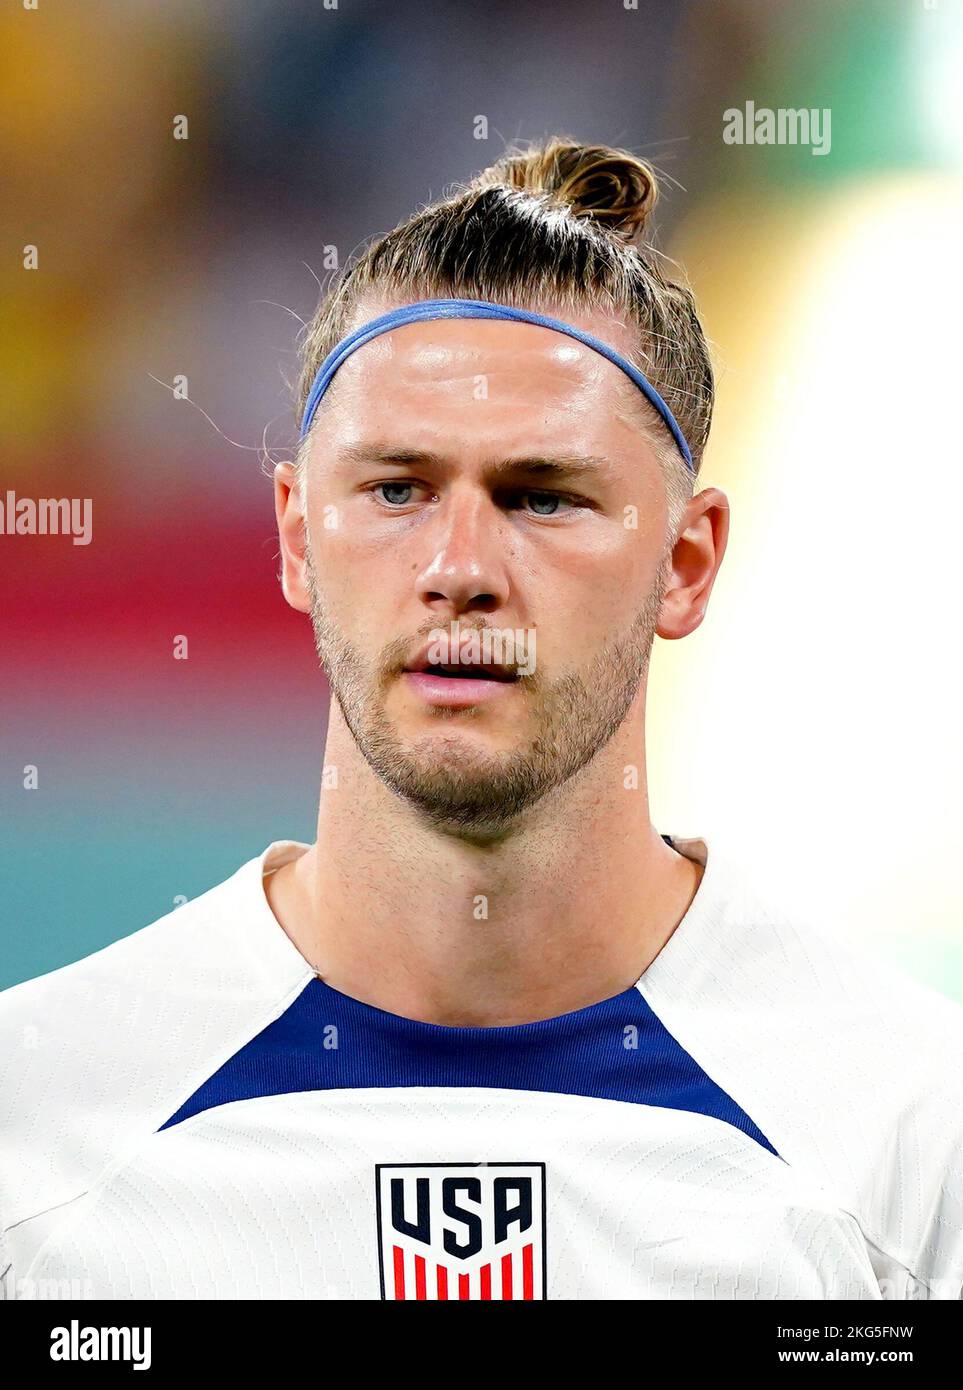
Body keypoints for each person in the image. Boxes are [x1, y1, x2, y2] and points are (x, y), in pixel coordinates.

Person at [2, 138, 961, 1302]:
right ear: (300, 537)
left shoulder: (912, 1130)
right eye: (397, 488)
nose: (460, 566)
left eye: (541, 496)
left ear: (688, 562)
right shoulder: (38, 1118)